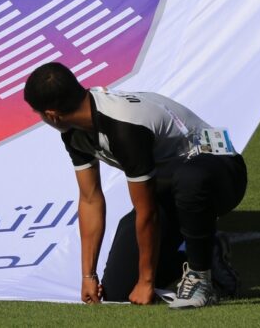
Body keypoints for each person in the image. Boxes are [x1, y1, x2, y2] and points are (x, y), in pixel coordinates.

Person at [23, 62, 248, 309]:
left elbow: (147, 213)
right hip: (173, 188)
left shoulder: (123, 127)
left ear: (52, 114)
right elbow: (90, 198)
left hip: (223, 172)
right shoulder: (73, 131)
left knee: (190, 180)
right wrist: (88, 275)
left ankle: (200, 277)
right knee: (119, 290)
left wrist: (146, 281)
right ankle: (207, 252)